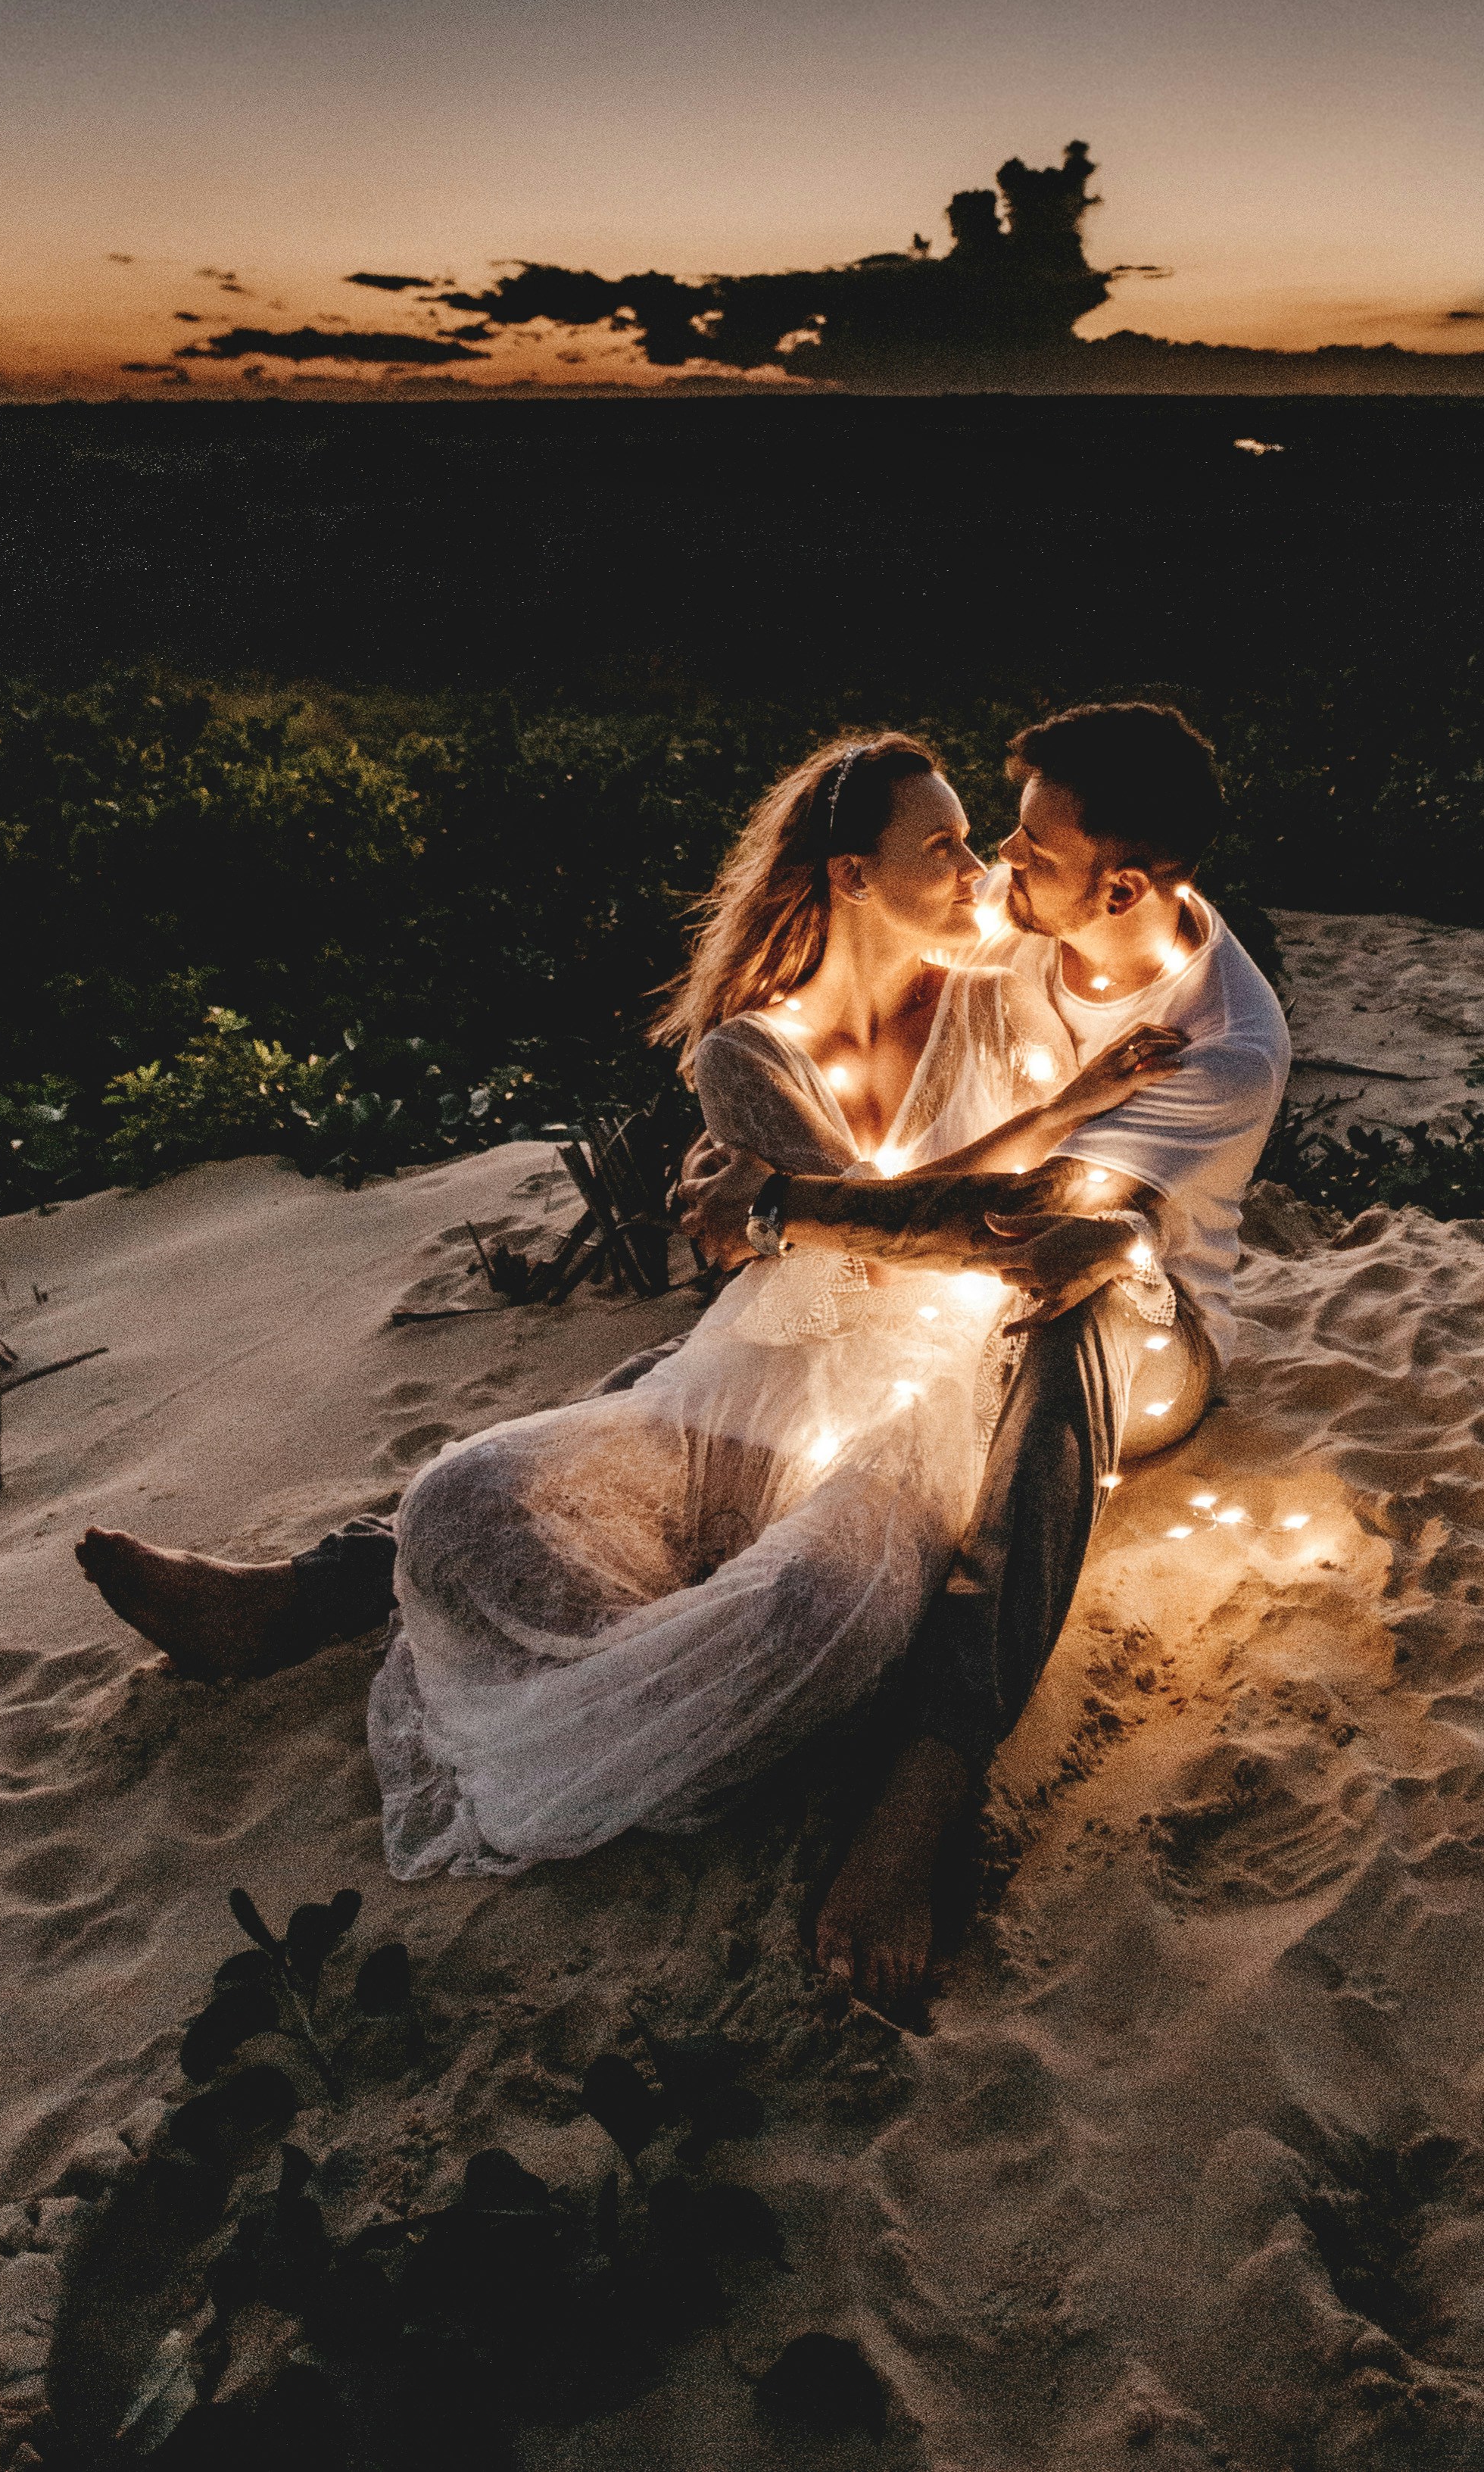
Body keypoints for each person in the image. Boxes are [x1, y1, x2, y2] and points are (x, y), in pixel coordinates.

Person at [73, 731, 1185, 1874]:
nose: (981, 872)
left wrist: (792, 1201)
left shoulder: (1009, 986)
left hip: (952, 1373)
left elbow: (958, 1211)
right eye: (944, 847)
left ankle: (311, 1604)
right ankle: (307, 1607)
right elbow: (872, 1238)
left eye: (975, 842)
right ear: (852, 876)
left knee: (804, 1599)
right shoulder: (748, 1057)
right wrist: (830, 1198)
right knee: (469, 1498)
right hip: (786, 1349)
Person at [682, 701, 1291, 2002]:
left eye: (1034, 850)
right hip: (956, 1292)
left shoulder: (1227, 1044)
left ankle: (936, 1770)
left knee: (1067, 1290)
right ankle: (360, 1564)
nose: (1001, 871)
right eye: (1001, 839)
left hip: (1151, 1344)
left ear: (1122, 882)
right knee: (767, 1325)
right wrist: (759, 1144)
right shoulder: (1021, 930)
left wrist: (780, 1210)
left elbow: (1024, 1230)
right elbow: (867, 994)